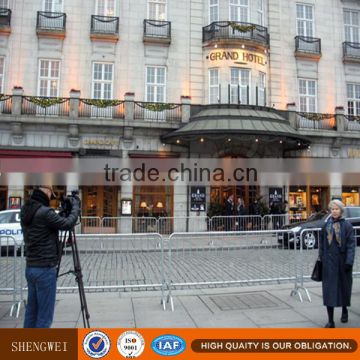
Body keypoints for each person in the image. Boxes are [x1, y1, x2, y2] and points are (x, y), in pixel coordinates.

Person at [20, 185, 80, 328]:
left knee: (31, 312)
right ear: (46, 191)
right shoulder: (45, 212)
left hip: (31, 267)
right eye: (51, 193)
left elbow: (50, 223)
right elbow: (67, 224)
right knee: (44, 317)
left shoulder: (27, 210)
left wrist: (61, 213)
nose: (51, 196)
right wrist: (75, 208)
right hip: (45, 269)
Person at [319, 199, 355, 328]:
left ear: (341, 210)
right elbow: (322, 244)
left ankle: (344, 309)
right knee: (329, 291)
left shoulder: (347, 226)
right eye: (332, 209)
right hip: (329, 264)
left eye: (336, 209)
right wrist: (322, 258)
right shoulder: (326, 225)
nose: (334, 211)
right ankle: (331, 320)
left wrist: (349, 262)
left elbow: (351, 245)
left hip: (343, 263)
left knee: (344, 289)